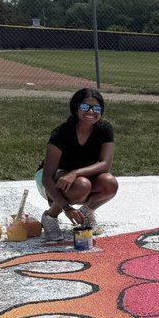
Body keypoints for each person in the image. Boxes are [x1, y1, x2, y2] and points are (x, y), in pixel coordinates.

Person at [36, 88, 118, 241]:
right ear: (76, 108)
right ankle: (50, 216)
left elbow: (105, 164)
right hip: (51, 179)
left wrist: (75, 173)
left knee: (110, 183)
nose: (91, 112)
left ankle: (86, 212)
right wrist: (67, 208)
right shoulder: (61, 133)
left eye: (96, 108)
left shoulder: (104, 129)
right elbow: (47, 177)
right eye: (85, 107)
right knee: (82, 185)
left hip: (80, 176)